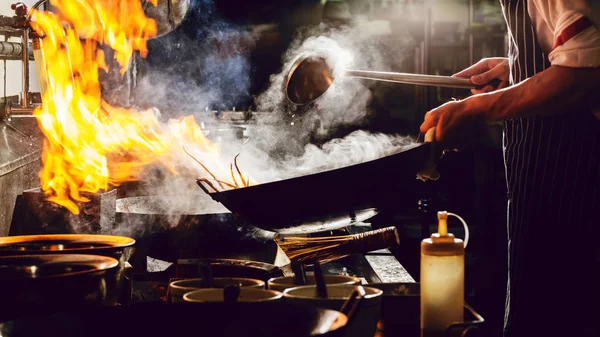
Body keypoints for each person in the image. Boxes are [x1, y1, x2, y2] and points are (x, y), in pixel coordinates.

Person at [419, 1, 600, 337]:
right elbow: (576, 46)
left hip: (577, 178)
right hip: (542, 178)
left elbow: (585, 71)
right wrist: (518, 72)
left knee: (561, 312)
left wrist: (479, 107)